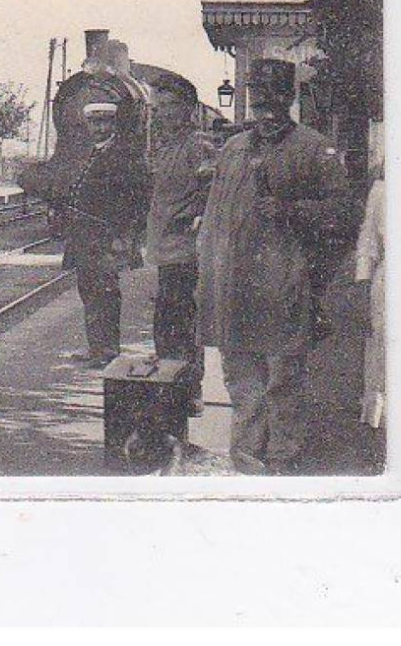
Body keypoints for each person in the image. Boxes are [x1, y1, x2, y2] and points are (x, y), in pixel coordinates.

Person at [196, 59, 351, 474]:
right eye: (257, 97)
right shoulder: (233, 149)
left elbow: (344, 213)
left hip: (286, 286)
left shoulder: (315, 148)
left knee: (283, 380)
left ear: (289, 98)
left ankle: (284, 460)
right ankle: (246, 459)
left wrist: (290, 210)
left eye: (274, 98)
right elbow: (214, 218)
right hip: (237, 287)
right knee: (242, 380)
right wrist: (208, 279)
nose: (265, 107)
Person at [61, 93, 150, 368]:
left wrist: (125, 234)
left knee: (105, 293)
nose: (100, 128)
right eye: (94, 123)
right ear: (87, 125)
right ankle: (96, 346)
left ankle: (108, 350)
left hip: (106, 237)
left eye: (105, 123)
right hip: (85, 237)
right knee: (89, 291)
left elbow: (136, 198)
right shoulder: (92, 152)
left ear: (114, 124)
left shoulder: (120, 154)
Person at [144, 78, 215, 414]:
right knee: (166, 322)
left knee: (183, 322)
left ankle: (190, 391)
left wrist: (197, 218)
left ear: (187, 109)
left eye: (166, 107)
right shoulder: (165, 147)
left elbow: (210, 193)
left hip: (187, 251)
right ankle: (171, 387)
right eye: (156, 109)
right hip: (166, 251)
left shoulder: (197, 146)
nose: (159, 115)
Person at [355, 170, 385, 433]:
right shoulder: (382, 190)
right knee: (383, 350)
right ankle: (380, 422)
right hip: (389, 284)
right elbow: (368, 242)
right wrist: (363, 285)